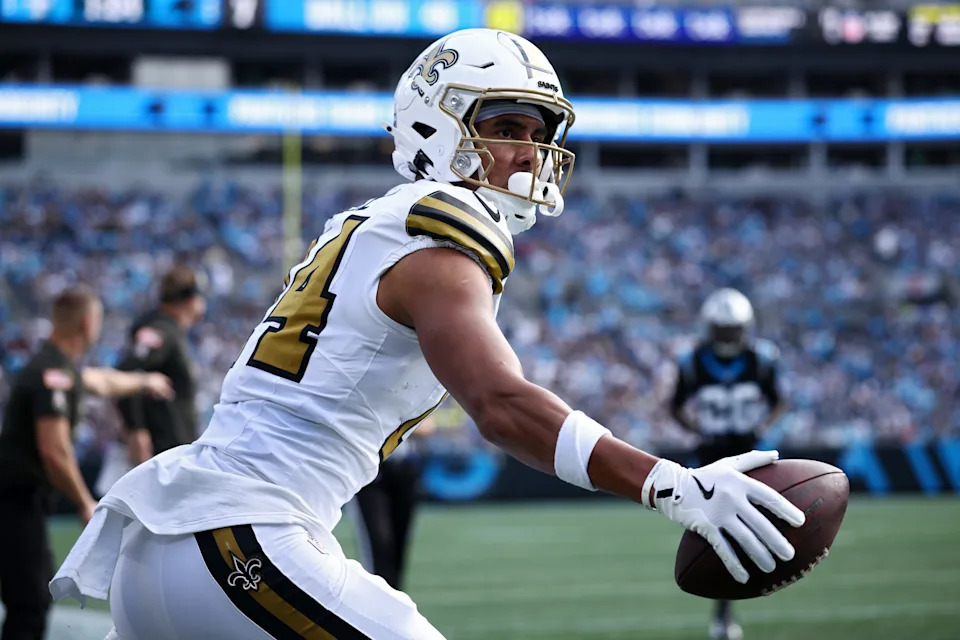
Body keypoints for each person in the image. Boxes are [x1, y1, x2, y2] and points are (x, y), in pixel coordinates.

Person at [52, 29, 805, 640]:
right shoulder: (440, 234)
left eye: (538, 135)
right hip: (236, 539)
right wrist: (668, 482)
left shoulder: (372, 225)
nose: (529, 154)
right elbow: (501, 404)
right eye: (505, 127)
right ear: (435, 125)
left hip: (176, 549)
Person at [0, 285, 172, 640]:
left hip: (22, 503)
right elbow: (55, 450)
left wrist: (143, 381)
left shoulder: (56, 368)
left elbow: (103, 381)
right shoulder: (52, 375)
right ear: (88, 323)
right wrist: (84, 503)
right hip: (14, 501)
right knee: (29, 603)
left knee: (32, 592)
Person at [669, 288, 787, 640]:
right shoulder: (692, 361)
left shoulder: (762, 359)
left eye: (733, 328)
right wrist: (697, 430)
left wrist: (762, 427)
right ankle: (724, 613)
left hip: (751, 452)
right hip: (712, 456)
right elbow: (674, 406)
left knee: (761, 527)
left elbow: (779, 400)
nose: (728, 335)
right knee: (719, 533)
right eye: (723, 329)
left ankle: (731, 607)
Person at [117, 265, 206, 465]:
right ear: (190, 298)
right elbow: (128, 369)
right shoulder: (162, 329)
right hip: (159, 454)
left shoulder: (170, 330)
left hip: (168, 452)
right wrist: (135, 429)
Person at [348, 415, 437, 590]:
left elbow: (427, 427)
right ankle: (377, 601)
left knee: (400, 543)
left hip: (404, 468)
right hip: (371, 472)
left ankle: (392, 598)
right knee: (378, 543)